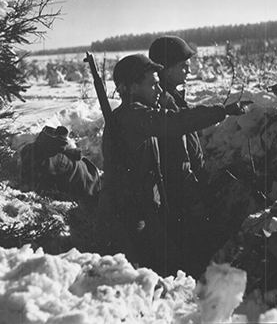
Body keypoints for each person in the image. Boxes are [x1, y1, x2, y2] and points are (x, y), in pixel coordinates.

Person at [96, 53, 250, 276]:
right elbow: (174, 122)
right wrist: (223, 111)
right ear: (130, 87)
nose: (159, 91)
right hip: (125, 221)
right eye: (152, 85)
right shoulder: (131, 116)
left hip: (140, 213)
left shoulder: (137, 114)